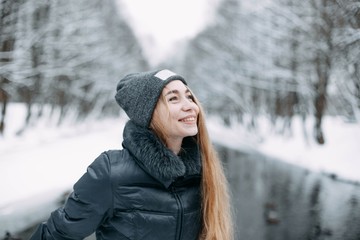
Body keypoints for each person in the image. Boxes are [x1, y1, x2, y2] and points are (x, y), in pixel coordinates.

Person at [29, 69, 233, 240]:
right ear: (149, 114)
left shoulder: (202, 171)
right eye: (173, 98)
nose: (190, 106)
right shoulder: (111, 171)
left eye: (189, 96)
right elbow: (57, 235)